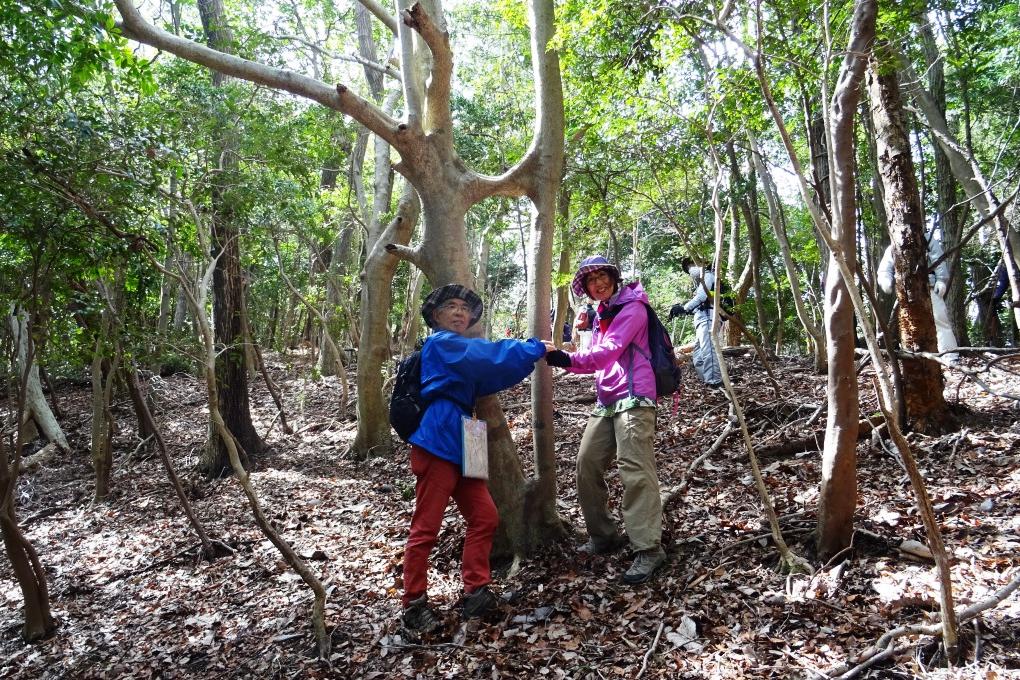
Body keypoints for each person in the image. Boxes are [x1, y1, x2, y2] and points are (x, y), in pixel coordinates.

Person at [401, 284, 548, 633]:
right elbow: (487, 356)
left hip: (468, 433)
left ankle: (476, 592)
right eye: (450, 306)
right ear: (435, 316)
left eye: (464, 309)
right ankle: (413, 604)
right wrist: (533, 346)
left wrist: (533, 355)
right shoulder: (440, 343)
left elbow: (497, 368)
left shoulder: (460, 349)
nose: (459, 313)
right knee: (426, 527)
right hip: (438, 435)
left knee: (485, 516)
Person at [543, 256, 666, 585]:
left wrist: (562, 357)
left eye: (602, 276)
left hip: (636, 395)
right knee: (586, 463)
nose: (598, 283)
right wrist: (566, 358)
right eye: (591, 280)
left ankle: (649, 548)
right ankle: (604, 536)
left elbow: (609, 351)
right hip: (607, 399)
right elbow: (595, 362)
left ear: (613, 277)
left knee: (634, 469)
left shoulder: (633, 308)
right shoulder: (601, 314)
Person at [876, 230, 959, 362]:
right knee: (908, 323)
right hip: (905, 291)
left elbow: (938, 258)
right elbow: (884, 268)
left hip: (928, 286)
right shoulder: (894, 244)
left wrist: (941, 280)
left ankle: (950, 356)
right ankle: (912, 357)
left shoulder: (927, 239)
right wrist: (885, 280)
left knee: (940, 319)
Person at [668, 258, 722, 387]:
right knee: (698, 356)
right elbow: (699, 301)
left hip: (709, 317)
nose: (690, 269)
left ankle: (715, 382)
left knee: (708, 350)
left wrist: (685, 308)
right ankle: (707, 382)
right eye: (688, 268)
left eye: (691, 265)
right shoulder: (700, 283)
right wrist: (682, 308)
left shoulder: (708, 276)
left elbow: (702, 297)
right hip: (702, 318)